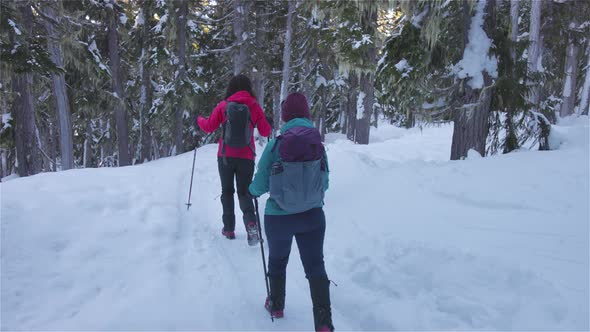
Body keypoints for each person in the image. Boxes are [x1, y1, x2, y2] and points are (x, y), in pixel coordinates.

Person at [249, 92, 334, 332]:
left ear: (285, 115)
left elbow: (262, 180)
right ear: (307, 113)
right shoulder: (316, 143)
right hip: (313, 217)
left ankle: (276, 304)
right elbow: (325, 181)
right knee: (315, 266)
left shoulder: (277, 143)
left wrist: (252, 191)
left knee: (277, 259)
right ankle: (324, 322)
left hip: (279, 217)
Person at [197, 74, 271, 246]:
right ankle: (251, 225)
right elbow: (266, 132)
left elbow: (208, 126)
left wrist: (198, 120)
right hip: (246, 156)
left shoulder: (224, 106)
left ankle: (229, 228)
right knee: (244, 192)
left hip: (225, 156)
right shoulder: (253, 106)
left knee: (227, 191)